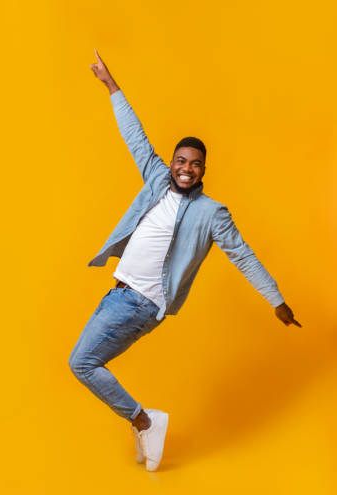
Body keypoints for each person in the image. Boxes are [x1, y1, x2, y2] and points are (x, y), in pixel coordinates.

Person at [68, 49, 302, 472]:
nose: (185, 169)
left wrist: (276, 299)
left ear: (203, 169)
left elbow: (243, 256)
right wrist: (110, 84)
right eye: (180, 161)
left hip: (140, 302)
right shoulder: (157, 178)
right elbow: (135, 137)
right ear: (173, 163)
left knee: (81, 362)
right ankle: (143, 424)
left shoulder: (211, 213)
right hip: (118, 294)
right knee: (86, 362)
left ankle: (144, 420)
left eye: (194, 164)